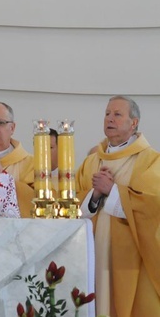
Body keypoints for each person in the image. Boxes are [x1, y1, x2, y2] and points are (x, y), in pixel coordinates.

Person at [76, 96, 160, 317]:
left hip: (131, 262)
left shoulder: (151, 161)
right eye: (106, 114)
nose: (109, 119)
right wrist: (93, 196)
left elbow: (153, 210)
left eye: (117, 114)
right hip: (93, 256)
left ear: (134, 123)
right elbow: (72, 206)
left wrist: (112, 192)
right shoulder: (91, 162)